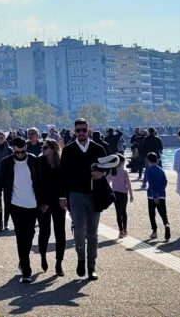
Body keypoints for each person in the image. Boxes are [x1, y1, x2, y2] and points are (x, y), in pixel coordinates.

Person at [59, 118, 107, 280]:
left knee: (93, 233)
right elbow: (63, 175)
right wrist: (62, 197)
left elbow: (107, 168)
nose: (80, 133)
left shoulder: (98, 149)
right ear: (74, 131)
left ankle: (91, 266)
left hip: (95, 195)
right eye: (78, 130)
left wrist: (102, 174)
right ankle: (80, 258)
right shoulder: (68, 150)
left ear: (89, 130)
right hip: (76, 194)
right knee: (79, 228)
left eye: (83, 130)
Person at [0, 137, 41, 283]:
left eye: (22, 152)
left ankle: (23, 260)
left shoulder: (34, 161)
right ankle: (26, 271)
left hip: (32, 205)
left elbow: (41, 182)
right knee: (20, 236)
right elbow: (0, 182)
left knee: (30, 234)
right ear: (13, 149)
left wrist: (44, 201)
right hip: (15, 205)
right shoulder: (7, 163)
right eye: (17, 152)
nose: (20, 155)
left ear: (26, 148)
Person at [37, 139, 67, 276]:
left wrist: (64, 198)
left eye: (46, 147)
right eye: (42, 147)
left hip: (59, 201)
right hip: (44, 202)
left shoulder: (61, 162)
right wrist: (41, 202)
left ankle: (59, 263)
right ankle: (43, 256)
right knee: (45, 231)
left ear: (53, 149)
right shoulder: (39, 162)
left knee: (60, 232)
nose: (43, 150)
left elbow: (66, 182)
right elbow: (36, 184)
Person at [144, 152, 171, 241]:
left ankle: (154, 231)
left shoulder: (148, 170)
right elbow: (165, 181)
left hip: (152, 196)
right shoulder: (161, 170)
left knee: (152, 214)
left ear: (148, 160)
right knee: (163, 213)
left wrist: (155, 195)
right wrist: (161, 191)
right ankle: (166, 224)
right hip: (162, 195)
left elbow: (151, 184)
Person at [108, 154, 133, 238]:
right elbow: (128, 184)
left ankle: (121, 231)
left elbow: (107, 182)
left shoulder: (112, 171)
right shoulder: (124, 172)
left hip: (115, 193)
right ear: (121, 162)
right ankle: (125, 229)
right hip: (123, 194)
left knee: (118, 212)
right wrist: (131, 194)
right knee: (124, 211)